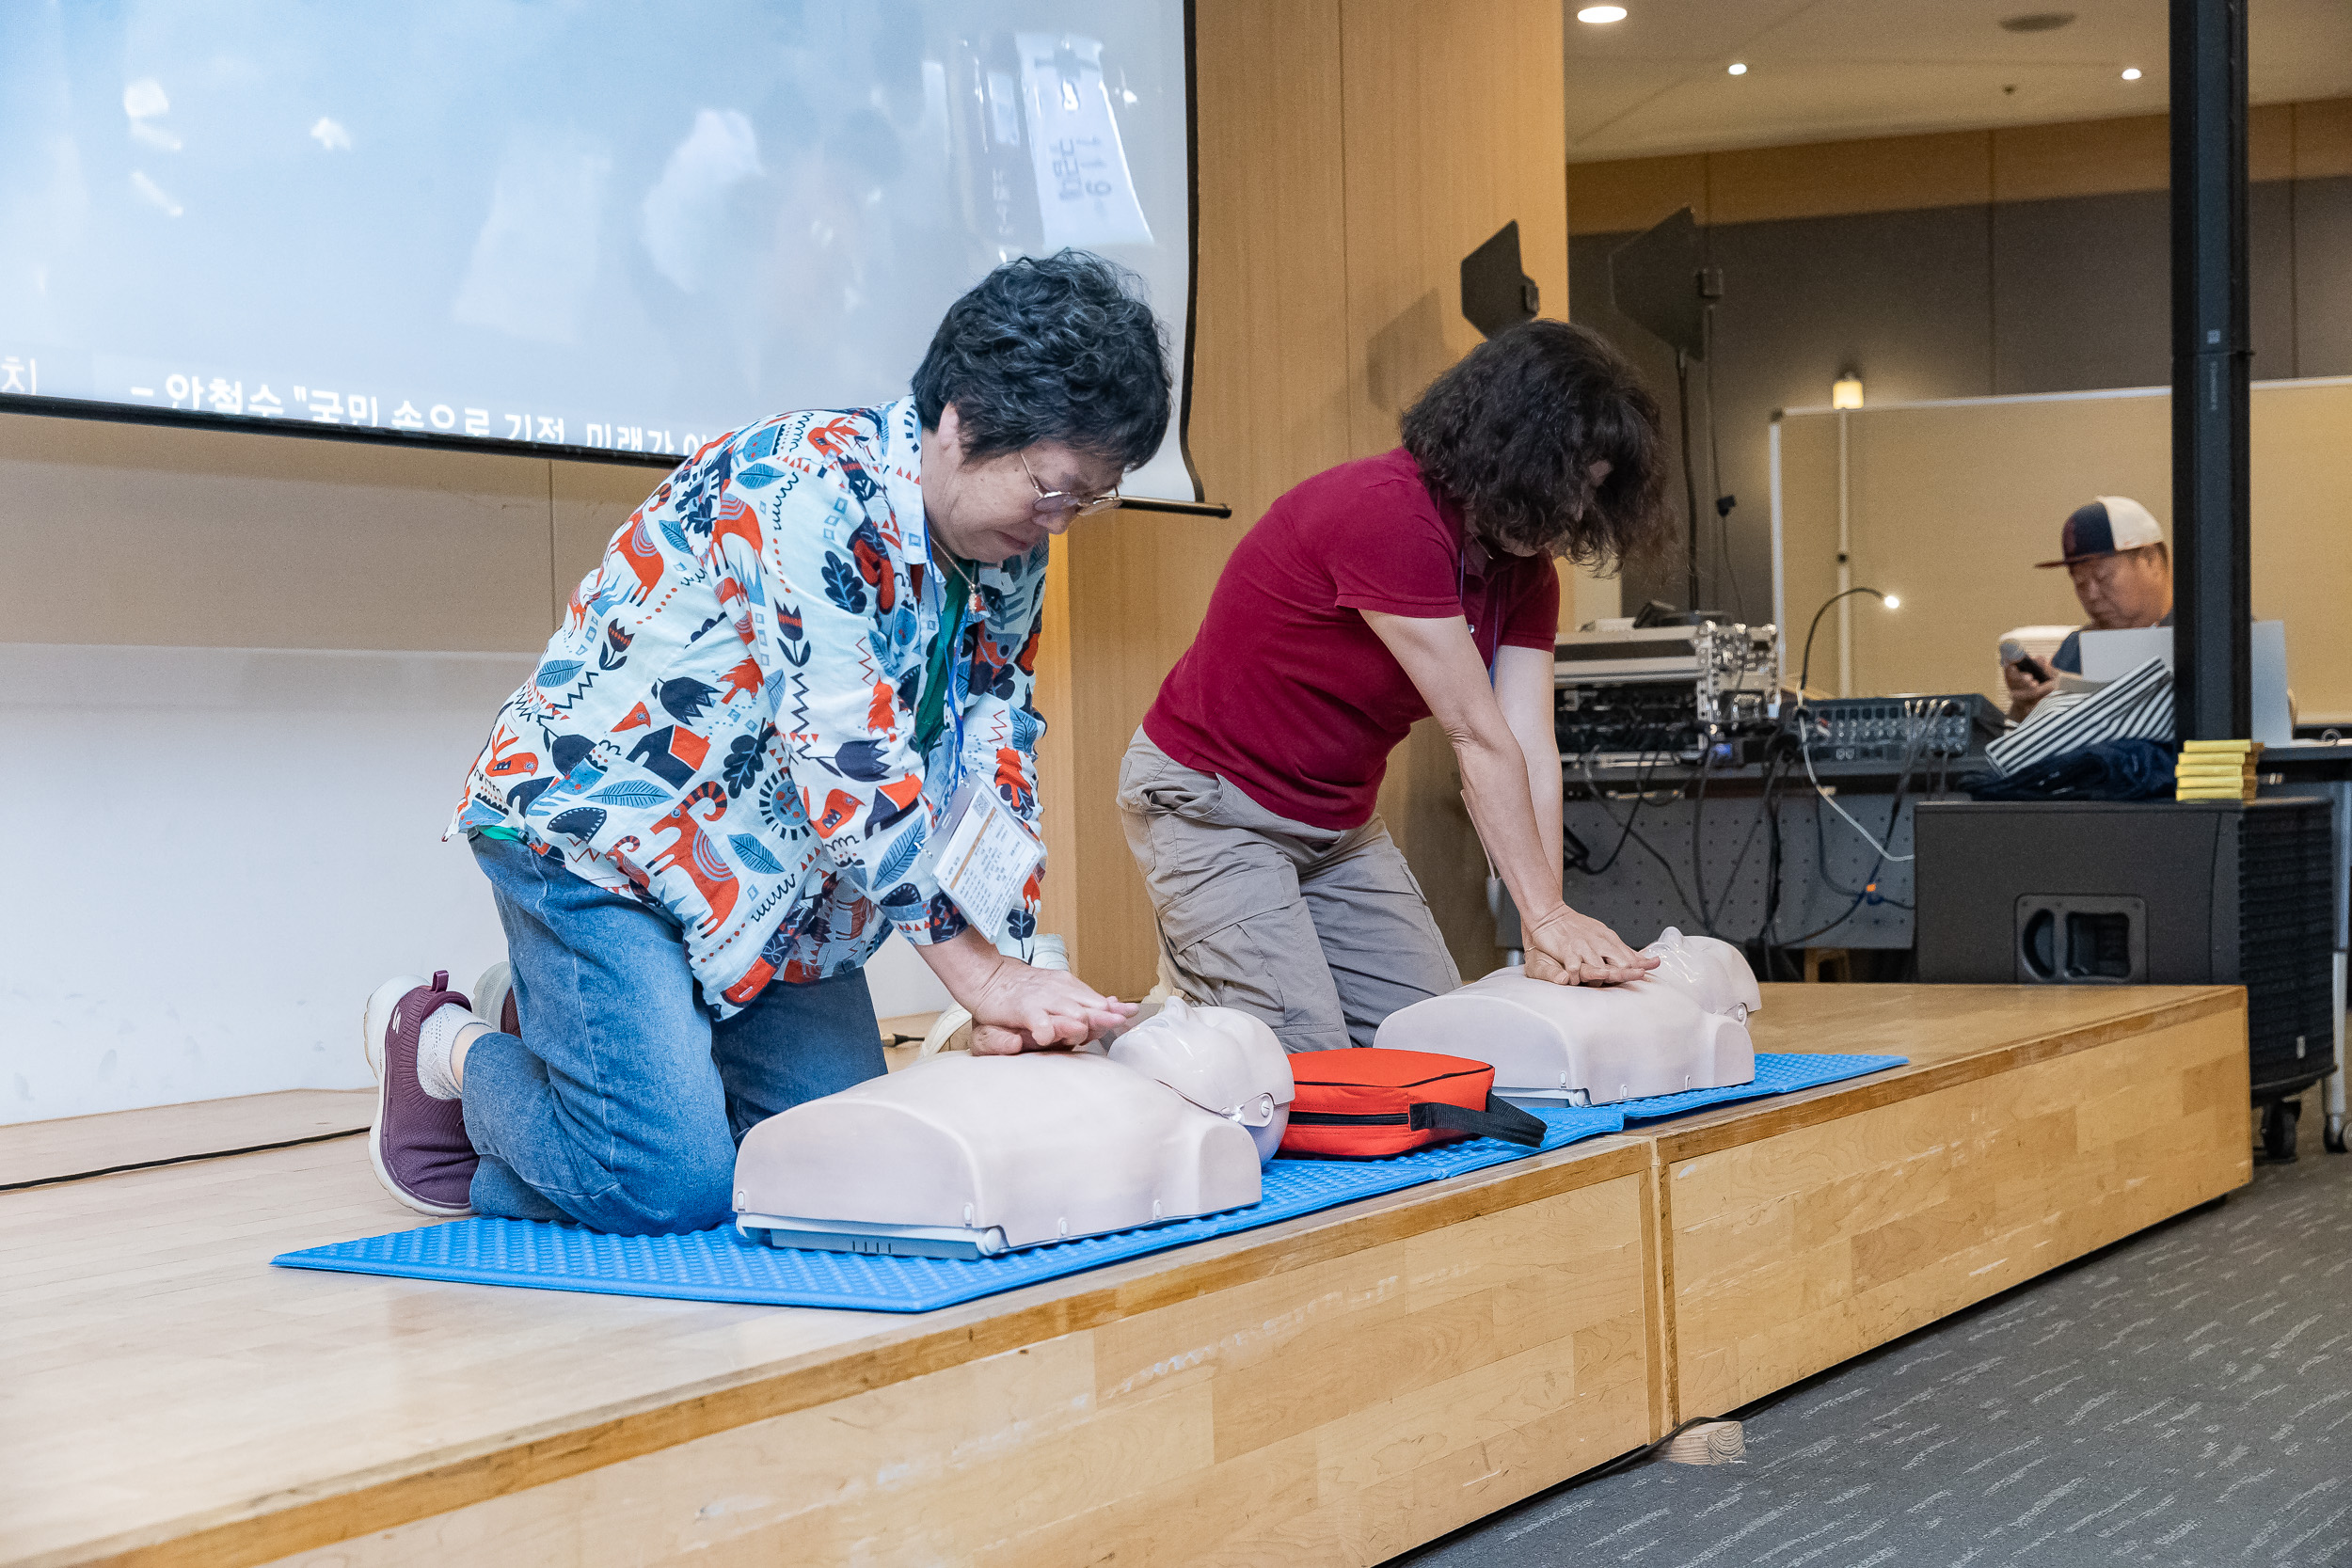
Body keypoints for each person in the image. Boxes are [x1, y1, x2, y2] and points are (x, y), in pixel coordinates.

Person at [364, 252, 1167, 1232]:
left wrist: (1016, 958)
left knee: (827, 1172)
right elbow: (850, 761)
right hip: (601, 844)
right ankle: (447, 1047)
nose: (1062, 524)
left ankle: (580, 1042)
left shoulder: (1007, 555)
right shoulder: (802, 488)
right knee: (670, 1187)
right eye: (1053, 490)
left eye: (1088, 500)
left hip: (779, 892)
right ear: (960, 417)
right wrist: (985, 978)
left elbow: (996, 743)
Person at [1120, 320, 1677, 1054]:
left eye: (1592, 494)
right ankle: (1111, 1036)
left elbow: (1530, 745)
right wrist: (1541, 918)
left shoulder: (1527, 575)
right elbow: (1476, 737)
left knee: (1438, 1052)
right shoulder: (1389, 515)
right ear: (1510, 450)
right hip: (1212, 807)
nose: (1575, 513)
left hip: (1337, 829)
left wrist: (1553, 921)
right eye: (1570, 485)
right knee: (1304, 1070)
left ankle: (1212, 993)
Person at [2003, 496, 2174, 720]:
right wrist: (2026, 708)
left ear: (2151, 560)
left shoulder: (2200, 641)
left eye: (2104, 577)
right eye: (2080, 582)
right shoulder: (2076, 649)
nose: (2091, 595)